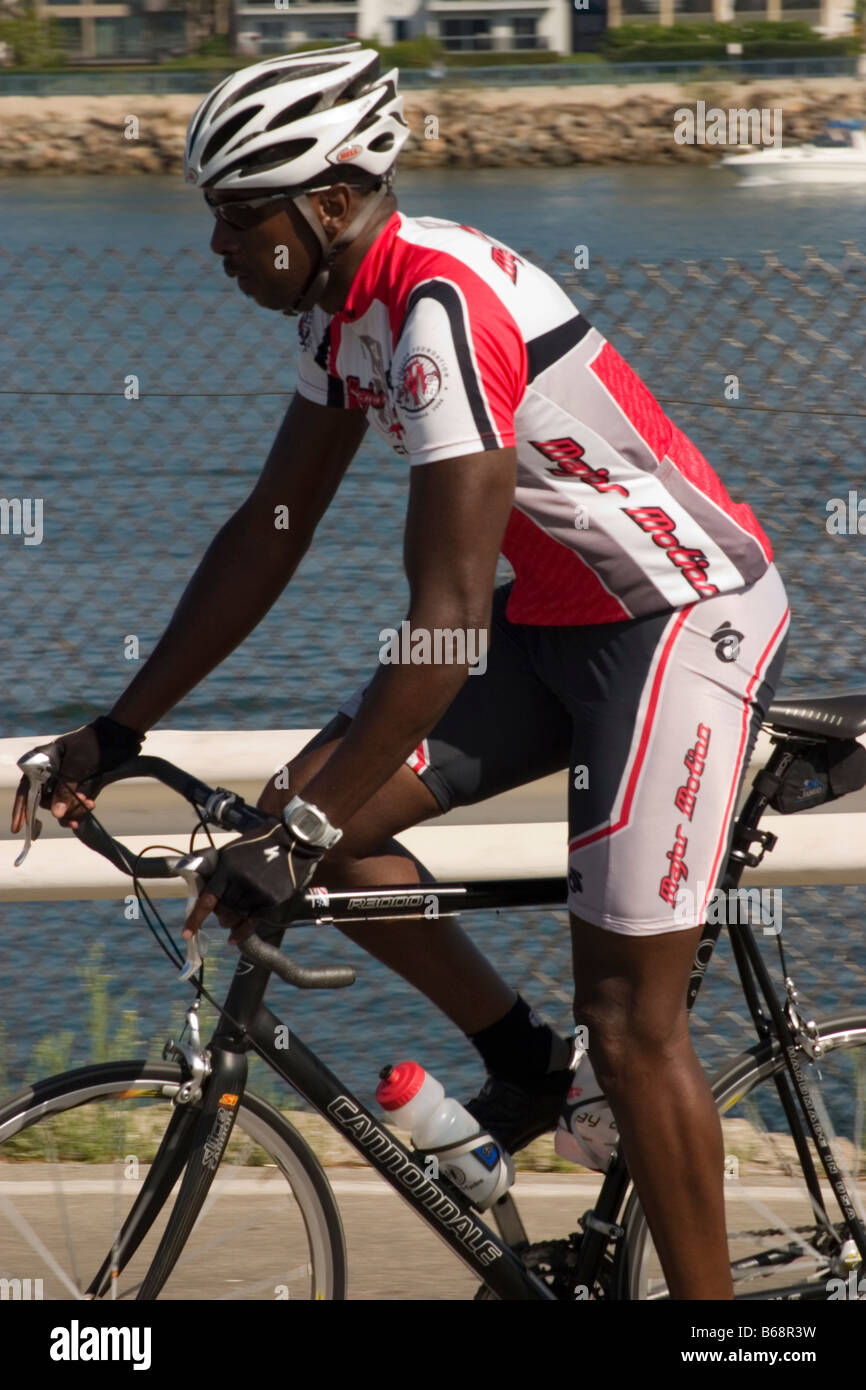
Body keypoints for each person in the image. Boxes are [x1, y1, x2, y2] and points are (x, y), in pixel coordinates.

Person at [12, 45, 789, 1299]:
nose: (216, 249)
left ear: (327, 200)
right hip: (551, 620)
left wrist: (299, 829)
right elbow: (272, 525)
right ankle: (519, 1060)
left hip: (673, 618)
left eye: (235, 217)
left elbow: (440, 623)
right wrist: (118, 723)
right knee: (308, 815)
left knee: (631, 1017)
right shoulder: (344, 310)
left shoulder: (435, 315)